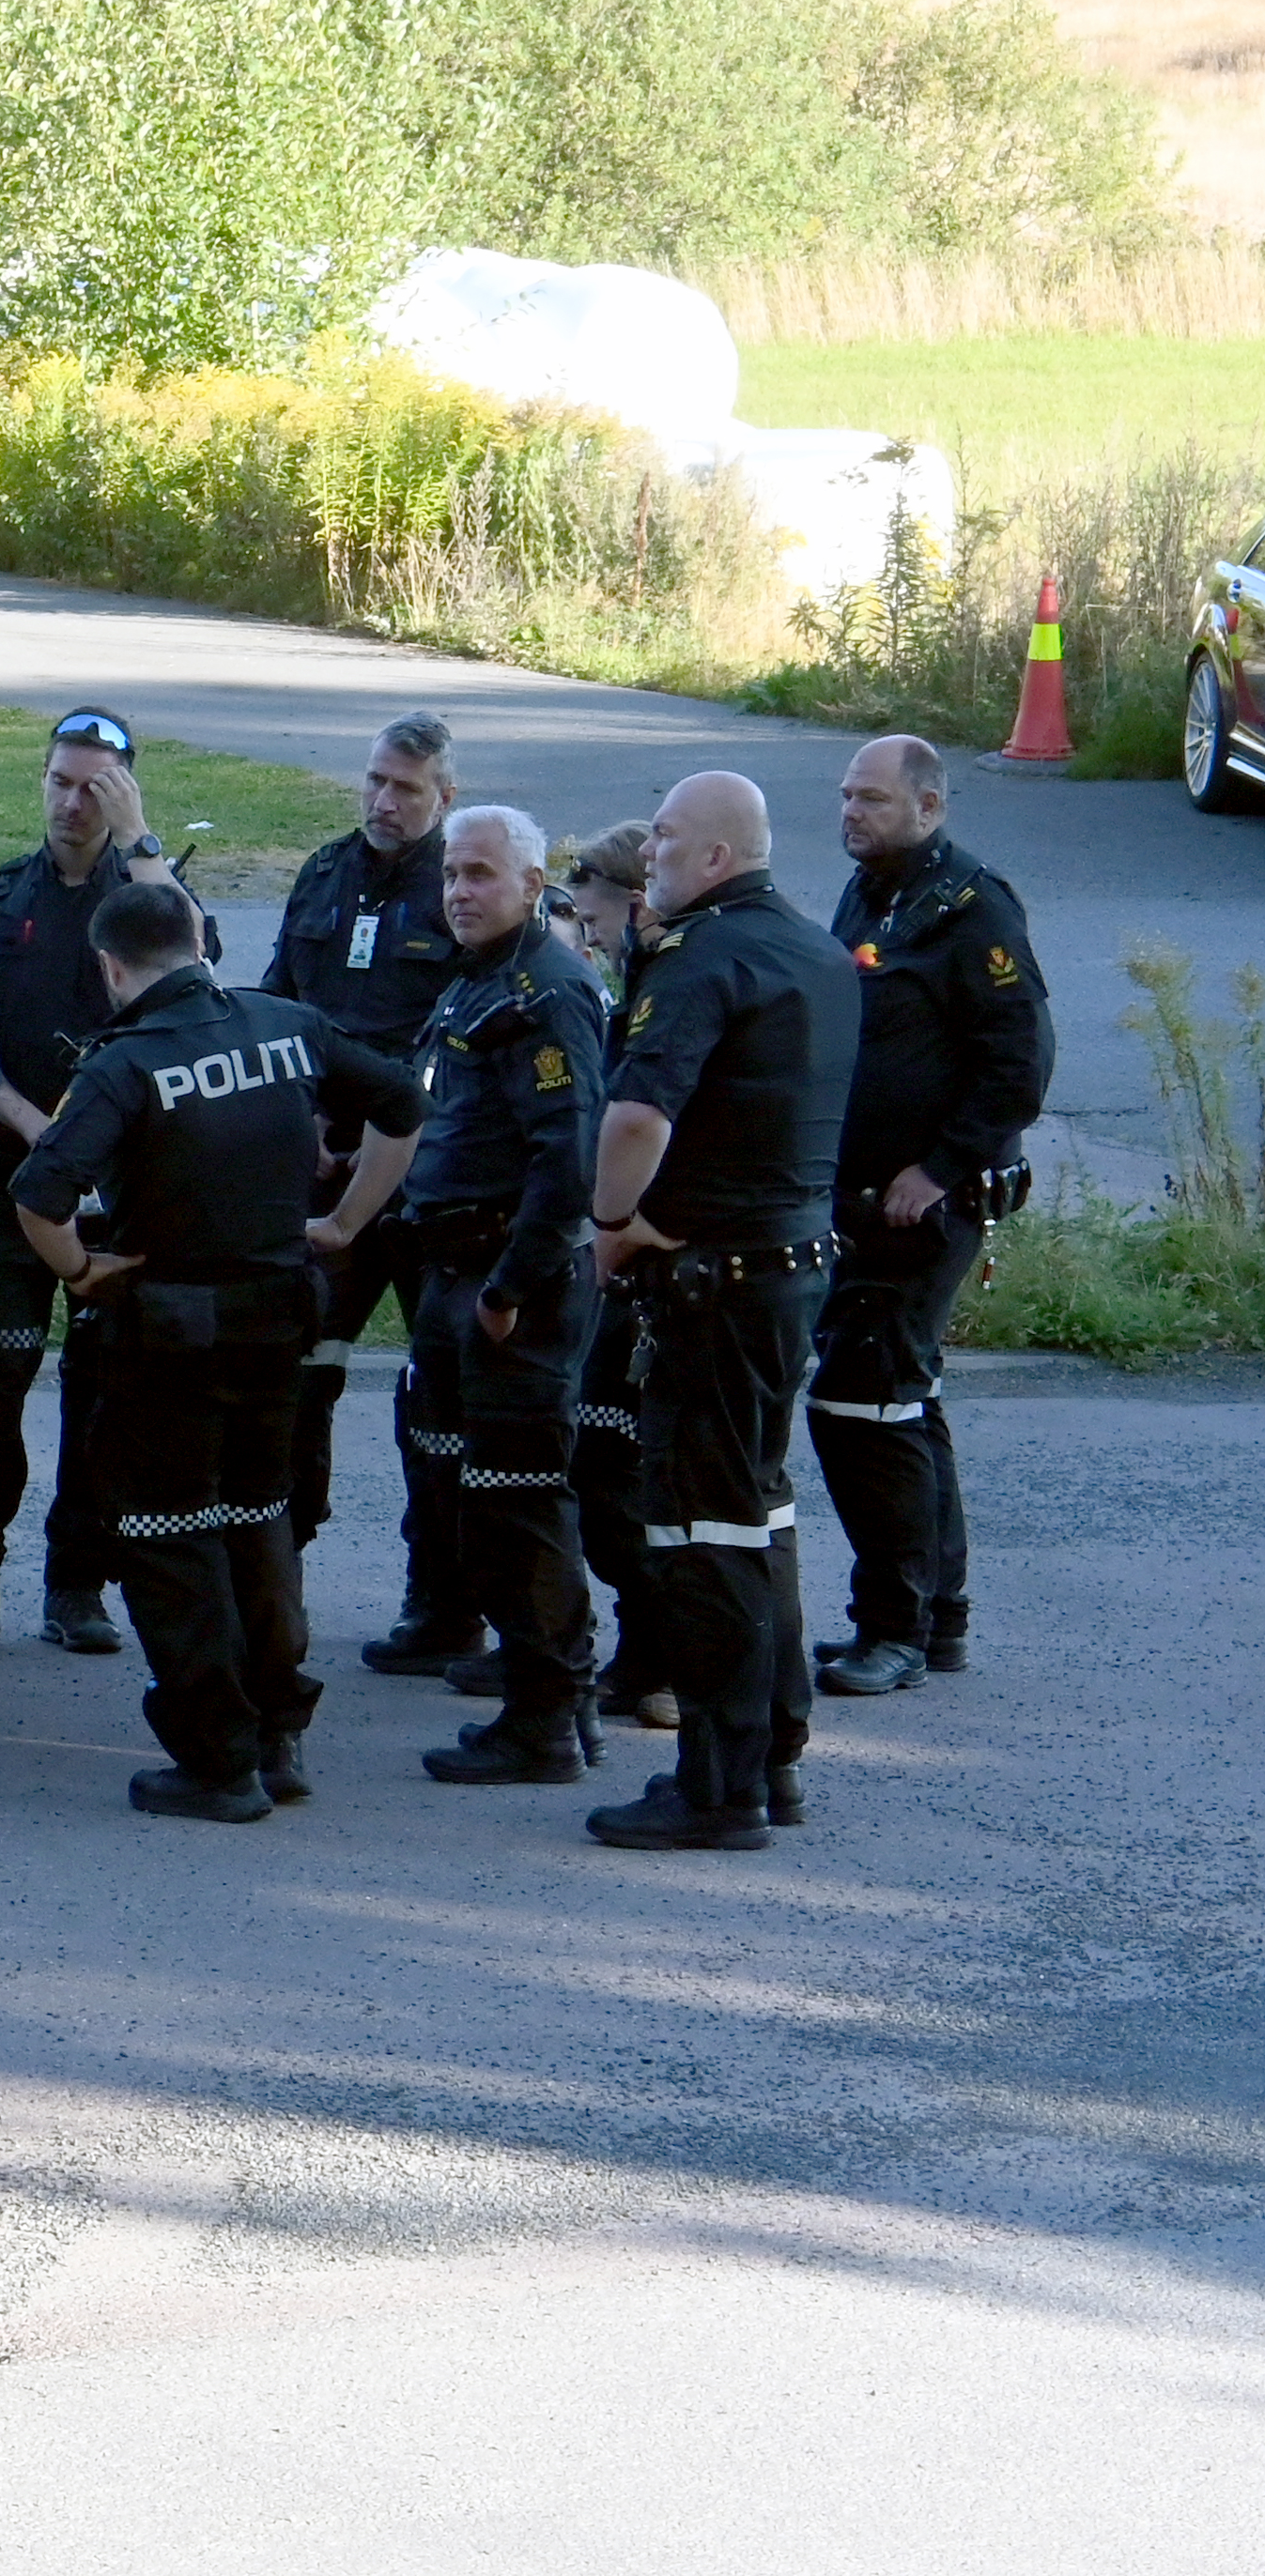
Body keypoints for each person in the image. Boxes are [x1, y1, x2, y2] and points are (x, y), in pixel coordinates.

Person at [9, 882, 419, 1823]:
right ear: (199, 943)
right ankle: (277, 1732)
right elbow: (401, 1104)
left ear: (110, 966)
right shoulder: (286, 1024)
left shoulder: (123, 1063)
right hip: (279, 1317)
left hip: (166, 1332)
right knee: (257, 1520)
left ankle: (215, 1759)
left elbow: (37, 1194)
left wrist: (81, 1269)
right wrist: (345, 1221)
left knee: (167, 1538)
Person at [583, 772, 858, 1851]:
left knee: (701, 1529)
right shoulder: (815, 950)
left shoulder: (701, 957)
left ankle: (715, 1784)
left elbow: (636, 1116)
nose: (646, 851)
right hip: (782, 1266)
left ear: (712, 859)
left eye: (661, 837)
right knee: (755, 1514)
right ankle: (768, 1752)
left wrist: (611, 1221)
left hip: (713, 1281)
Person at [0, 710, 186, 1658]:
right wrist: (41, 1135)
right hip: (12, 1182)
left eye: (94, 786)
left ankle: (77, 1580)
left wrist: (141, 840)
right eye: (58, 780)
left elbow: (193, 980)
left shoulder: (147, 893)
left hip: (123, 1190)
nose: (71, 802)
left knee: (104, 1397)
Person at [811, 735, 1053, 1697]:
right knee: (898, 1399)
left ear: (928, 805)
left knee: (864, 1402)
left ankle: (893, 1628)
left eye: (870, 799)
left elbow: (1017, 1065)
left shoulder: (970, 907)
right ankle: (935, 1616)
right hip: (861, 1198)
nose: (850, 813)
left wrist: (939, 1168)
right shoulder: (869, 894)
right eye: (844, 797)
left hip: (923, 1203)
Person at [381, 805, 616, 1787]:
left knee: (520, 1505)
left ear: (531, 884)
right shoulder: (477, 981)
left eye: (480, 873)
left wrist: (506, 1292)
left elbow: (566, 1163)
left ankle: (546, 1720)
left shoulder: (546, 993)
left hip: (508, 1284)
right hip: (456, 1270)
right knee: (492, 1503)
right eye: (450, 875)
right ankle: (547, 1696)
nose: (460, 891)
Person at [264, 713, 469, 1678]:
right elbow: (273, 1000)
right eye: (376, 782)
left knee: (438, 1398)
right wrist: (295, 1110)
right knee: (296, 1376)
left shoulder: (465, 887)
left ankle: (443, 1607)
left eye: (407, 789)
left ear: (445, 798)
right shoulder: (322, 872)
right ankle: (274, 1588)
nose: (385, 803)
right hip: (319, 1167)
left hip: (423, 1183)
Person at [554, 823, 674, 1732]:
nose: (582, 931)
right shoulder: (623, 988)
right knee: (600, 1470)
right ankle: (643, 1646)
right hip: (612, 1266)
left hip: (651, 1260)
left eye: (588, 913)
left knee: (633, 1473)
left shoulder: (666, 989)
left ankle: (660, 1655)